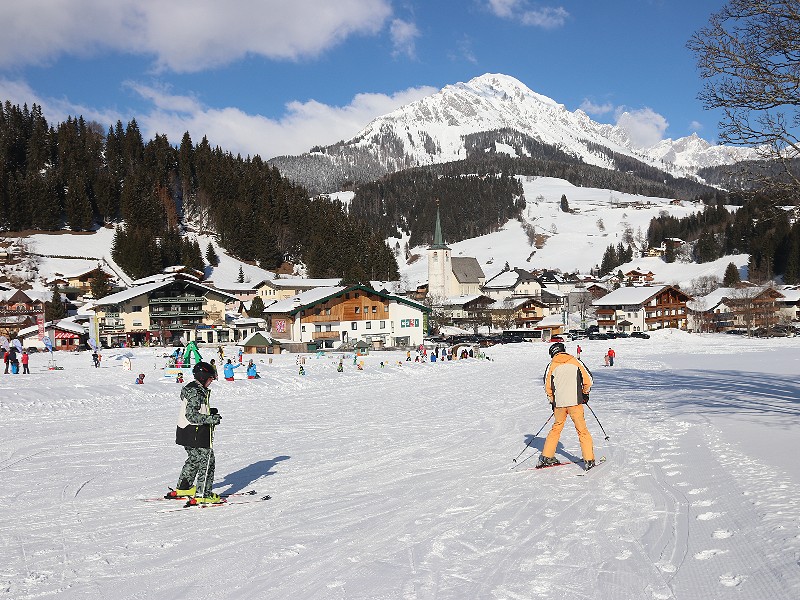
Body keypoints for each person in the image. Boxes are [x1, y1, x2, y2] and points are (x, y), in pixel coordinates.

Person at [168, 362, 223, 504]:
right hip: (196, 432)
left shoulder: (191, 389)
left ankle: (184, 487)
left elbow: (193, 408)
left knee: (194, 459)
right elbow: (191, 415)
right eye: (210, 379)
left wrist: (209, 412)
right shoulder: (196, 392)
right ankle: (203, 494)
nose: (211, 382)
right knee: (207, 460)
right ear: (203, 377)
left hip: (184, 431)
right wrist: (210, 419)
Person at [538, 342, 596, 471]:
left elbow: (547, 387)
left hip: (559, 404)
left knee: (556, 428)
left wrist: (552, 401)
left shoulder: (551, 365)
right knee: (582, 430)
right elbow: (589, 380)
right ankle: (589, 459)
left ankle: (547, 456)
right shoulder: (575, 362)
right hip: (575, 402)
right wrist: (585, 393)